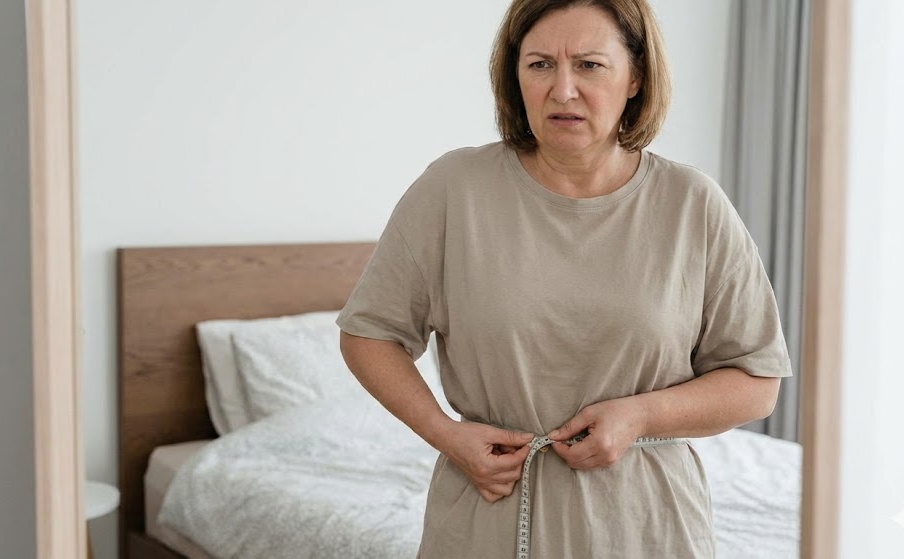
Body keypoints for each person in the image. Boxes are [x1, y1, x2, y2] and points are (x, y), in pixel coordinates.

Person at [337, 0, 793, 557]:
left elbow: (756, 381)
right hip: (489, 510)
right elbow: (369, 333)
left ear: (635, 77)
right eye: (540, 65)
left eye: (589, 65)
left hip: (647, 524)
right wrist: (446, 434)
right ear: (515, 76)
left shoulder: (692, 204)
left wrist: (639, 416)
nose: (563, 89)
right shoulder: (454, 190)